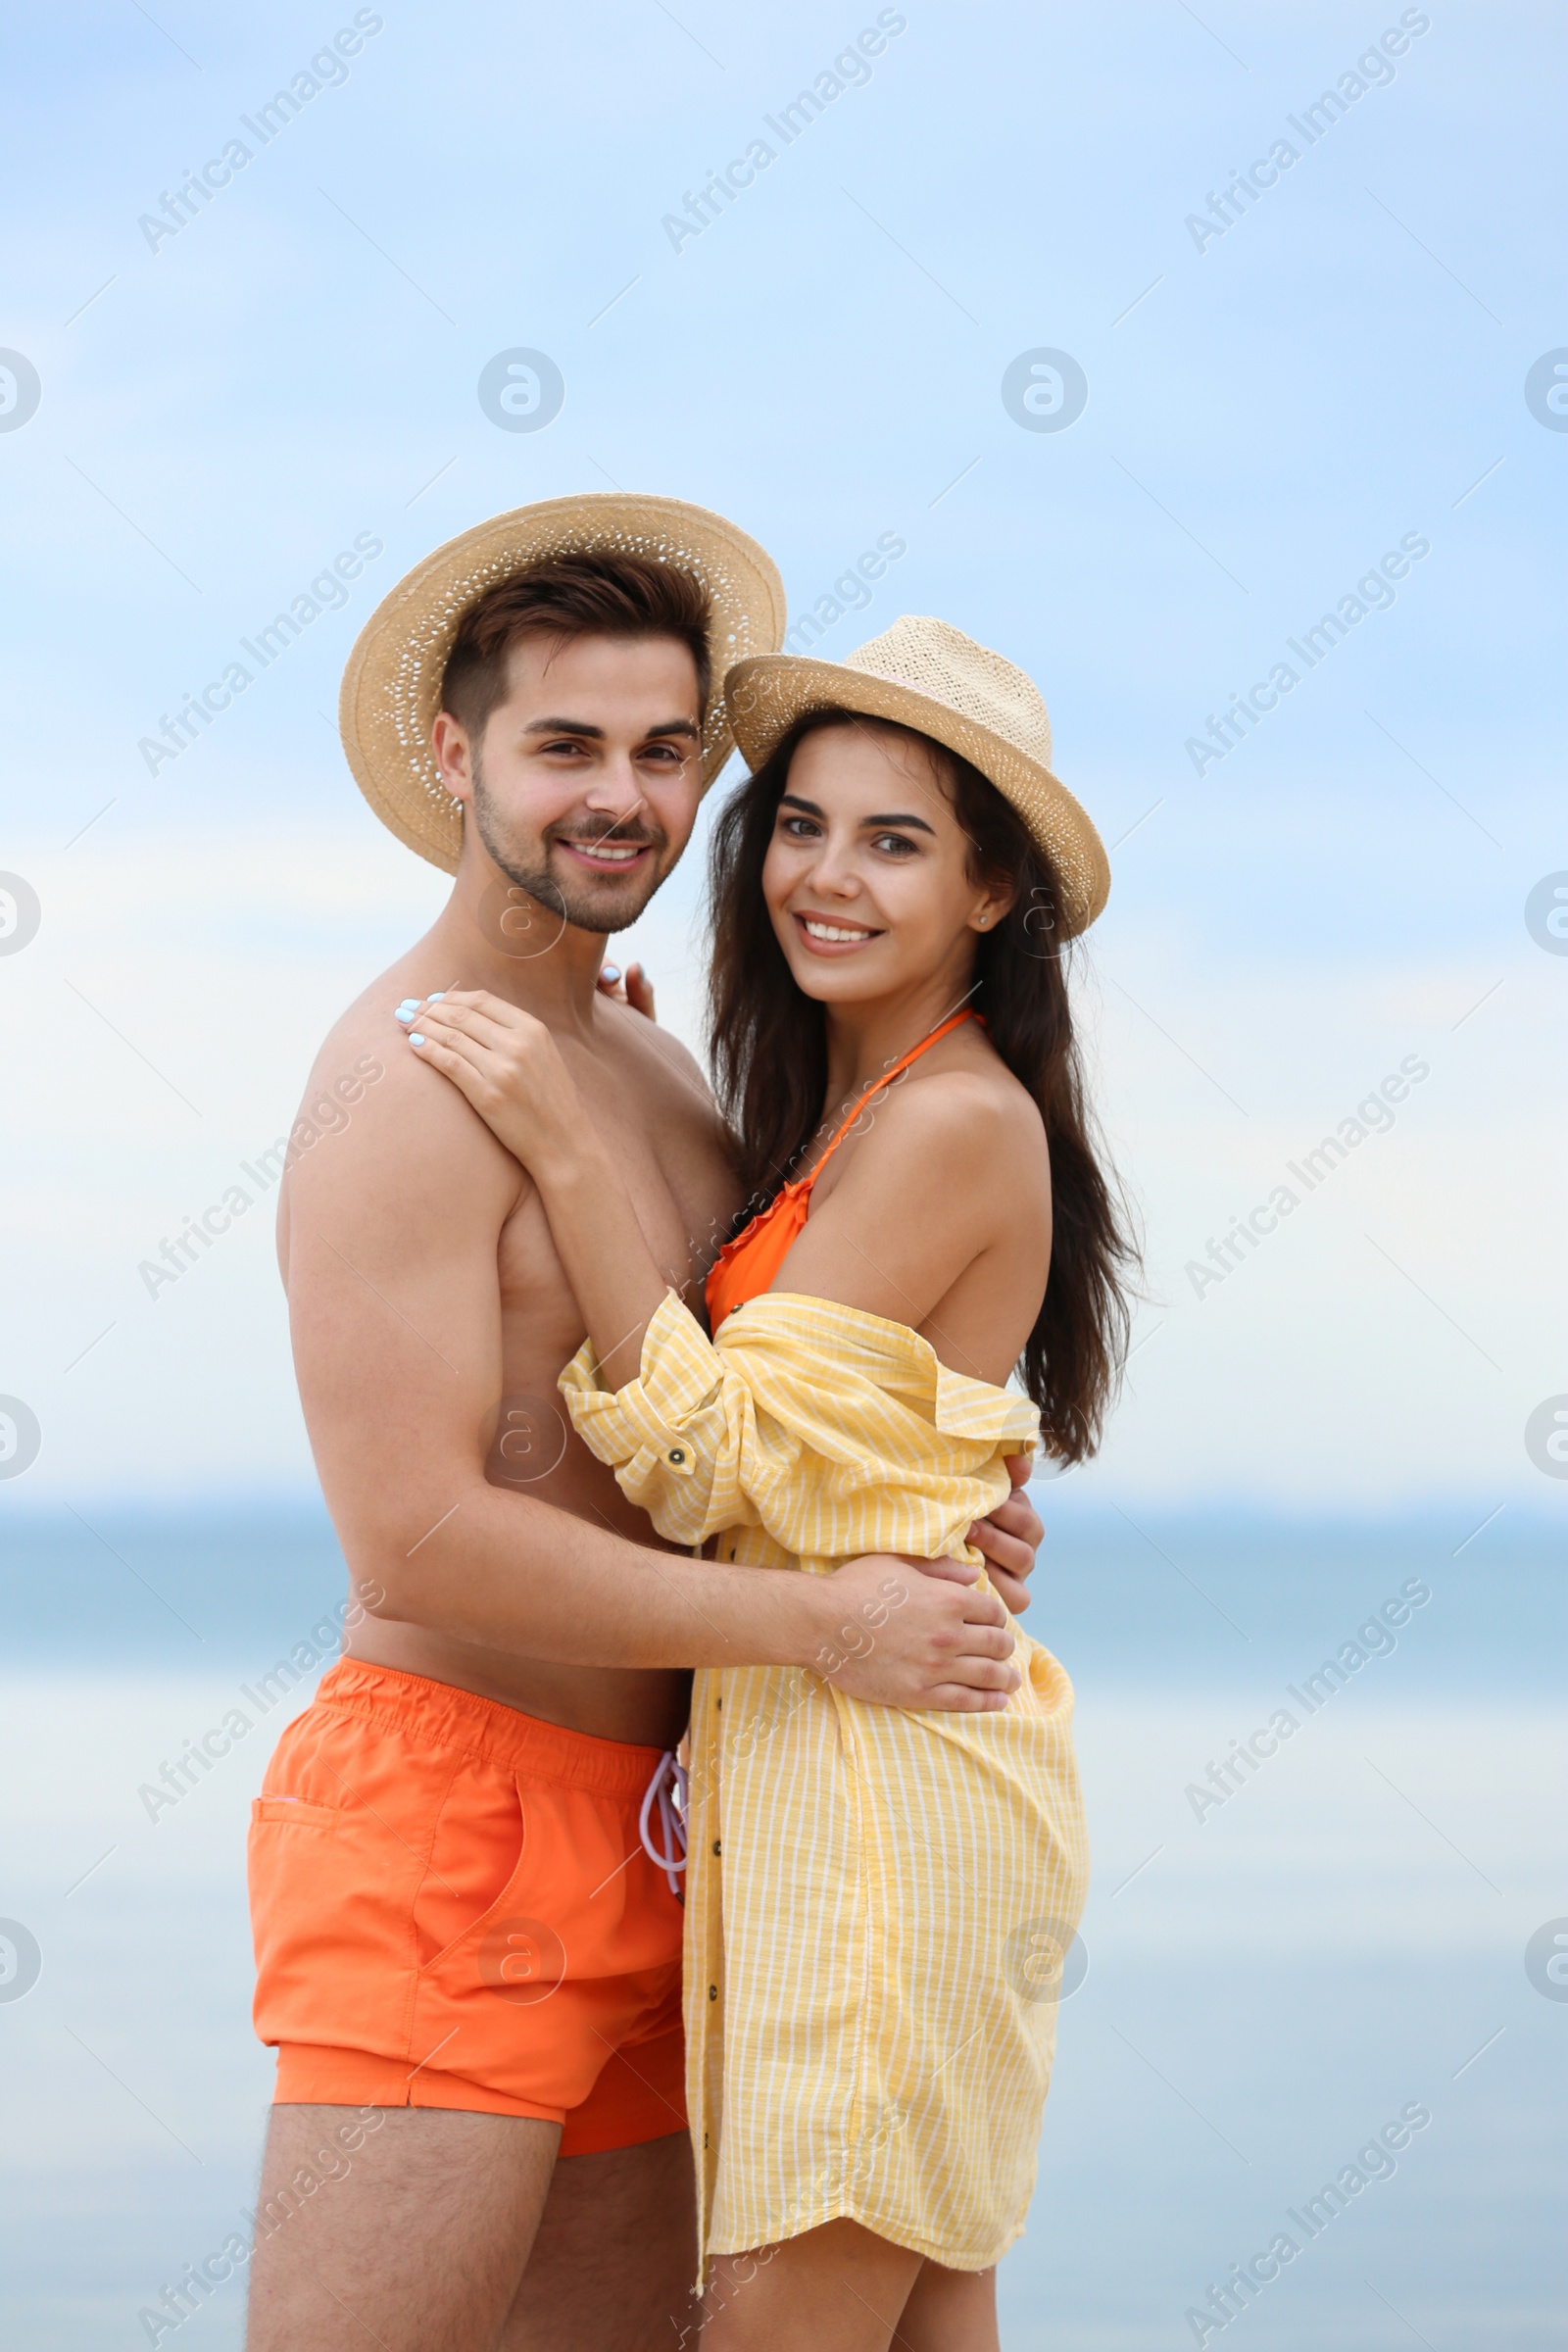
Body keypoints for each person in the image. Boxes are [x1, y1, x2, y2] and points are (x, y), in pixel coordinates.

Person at [245, 501, 1046, 2352]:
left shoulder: (661, 1068)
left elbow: (739, 1436)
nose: (622, 796)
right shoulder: (398, 1080)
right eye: (565, 746)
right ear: (456, 755)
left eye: (664, 751)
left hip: (699, 1832)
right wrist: (829, 1626)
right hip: (457, 1816)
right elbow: (414, 1536)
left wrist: (919, 1526)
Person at [401, 612, 1137, 2351]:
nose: (825, 876)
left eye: (896, 843)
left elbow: (708, 1461)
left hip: (880, 1817)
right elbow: (841, 1447)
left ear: (991, 893)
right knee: (920, 2315)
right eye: (801, 825)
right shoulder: (846, 1114)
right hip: (864, 1789)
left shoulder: (953, 1121)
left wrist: (570, 1140)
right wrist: (641, 1096)